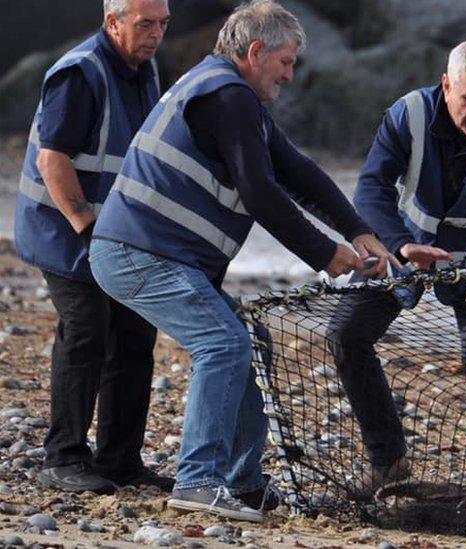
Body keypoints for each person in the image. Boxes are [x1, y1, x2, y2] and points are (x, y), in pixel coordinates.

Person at [88, 0, 395, 522]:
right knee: (223, 343)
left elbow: (297, 170)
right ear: (256, 52)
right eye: (286, 62)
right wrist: (327, 254)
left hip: (153, 255)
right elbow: (261, 193)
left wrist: (359, 231)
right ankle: (198, 480)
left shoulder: (231, 95)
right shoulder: (227, 97)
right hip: (136, 254)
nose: (291, 75)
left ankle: (244, 484)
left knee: (249, 339)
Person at [330, 39, 466, 498]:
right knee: (345, 333)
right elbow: (371, 190)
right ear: (446, 86)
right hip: (402, 249)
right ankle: (388, 461)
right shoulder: (407, 115)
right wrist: (401, 246)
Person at [14, 0, 173, 495]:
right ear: (112, 22)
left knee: (134, 333)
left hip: (115, 231)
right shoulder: (80, 73)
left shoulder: (143, 68)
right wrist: (86, 224)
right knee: (86, 328)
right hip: (63, 228)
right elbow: (52, 160)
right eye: (145, 24)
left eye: (163, 24)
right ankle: (62, 457)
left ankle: (120, 461)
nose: (155, 35)